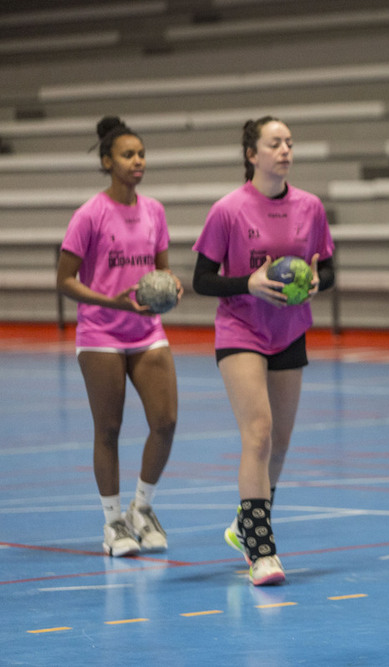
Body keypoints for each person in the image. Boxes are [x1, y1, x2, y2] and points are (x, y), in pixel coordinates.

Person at [192, 116, 334, 586]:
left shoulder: (310, 207)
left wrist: (316, 282)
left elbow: (328, 270)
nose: (285, 150)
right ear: (252, 154)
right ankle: (261, 549)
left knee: (280, 444)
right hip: (241, 330)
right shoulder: (228, 210)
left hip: (289, 330)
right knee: (258, 433)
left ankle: (243, 522)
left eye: (290, 142)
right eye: (275, 143)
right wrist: (248, 282)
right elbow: (202, 279)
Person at [57, 116, 182, 557]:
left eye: (142, 154)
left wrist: (171, 286)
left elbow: (161, 268)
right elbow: (65, 280)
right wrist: (114, 302)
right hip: (101, 333)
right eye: (128, 155)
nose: (137, 162)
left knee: (165, 422)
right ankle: (113, 522)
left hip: (147, 331)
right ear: (107, 161)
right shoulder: (89, 214)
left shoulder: (155, 211)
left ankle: (142, 509)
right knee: (108, 429)